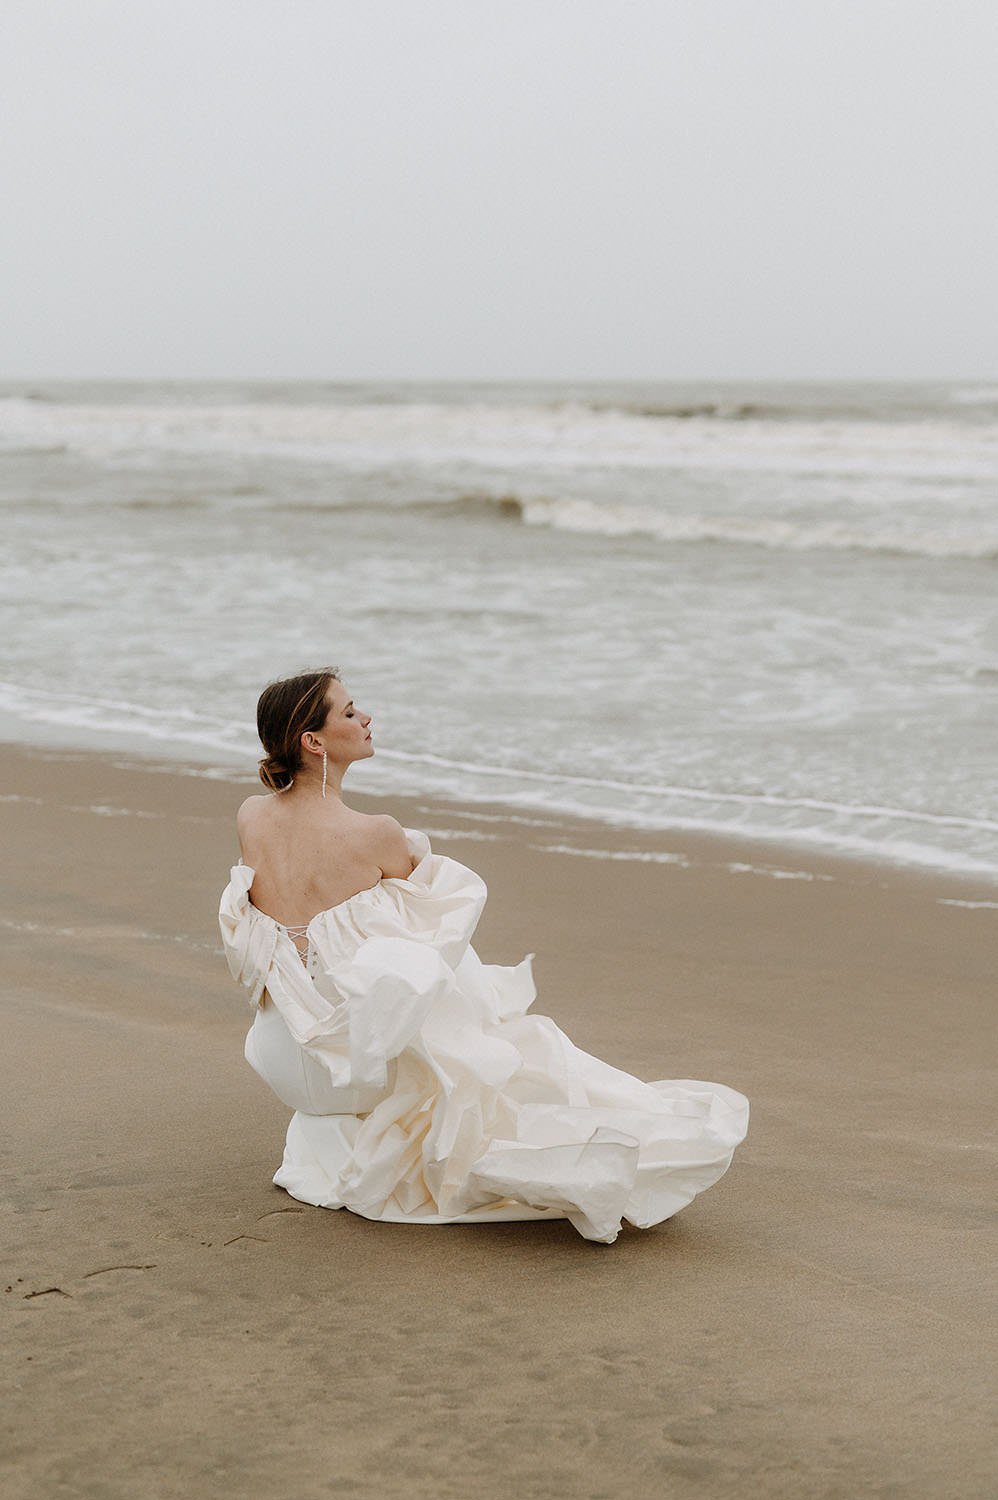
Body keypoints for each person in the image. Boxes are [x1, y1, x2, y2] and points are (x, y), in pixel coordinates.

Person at [219, 667, 749, 1245]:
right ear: (313, 741)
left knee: (388, 956)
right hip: (361, 1068)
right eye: (349, 712)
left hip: (286, 1056)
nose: (365, 718)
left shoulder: (252, 815)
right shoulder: (374, 833)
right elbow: (436, 920)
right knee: (465, 992)